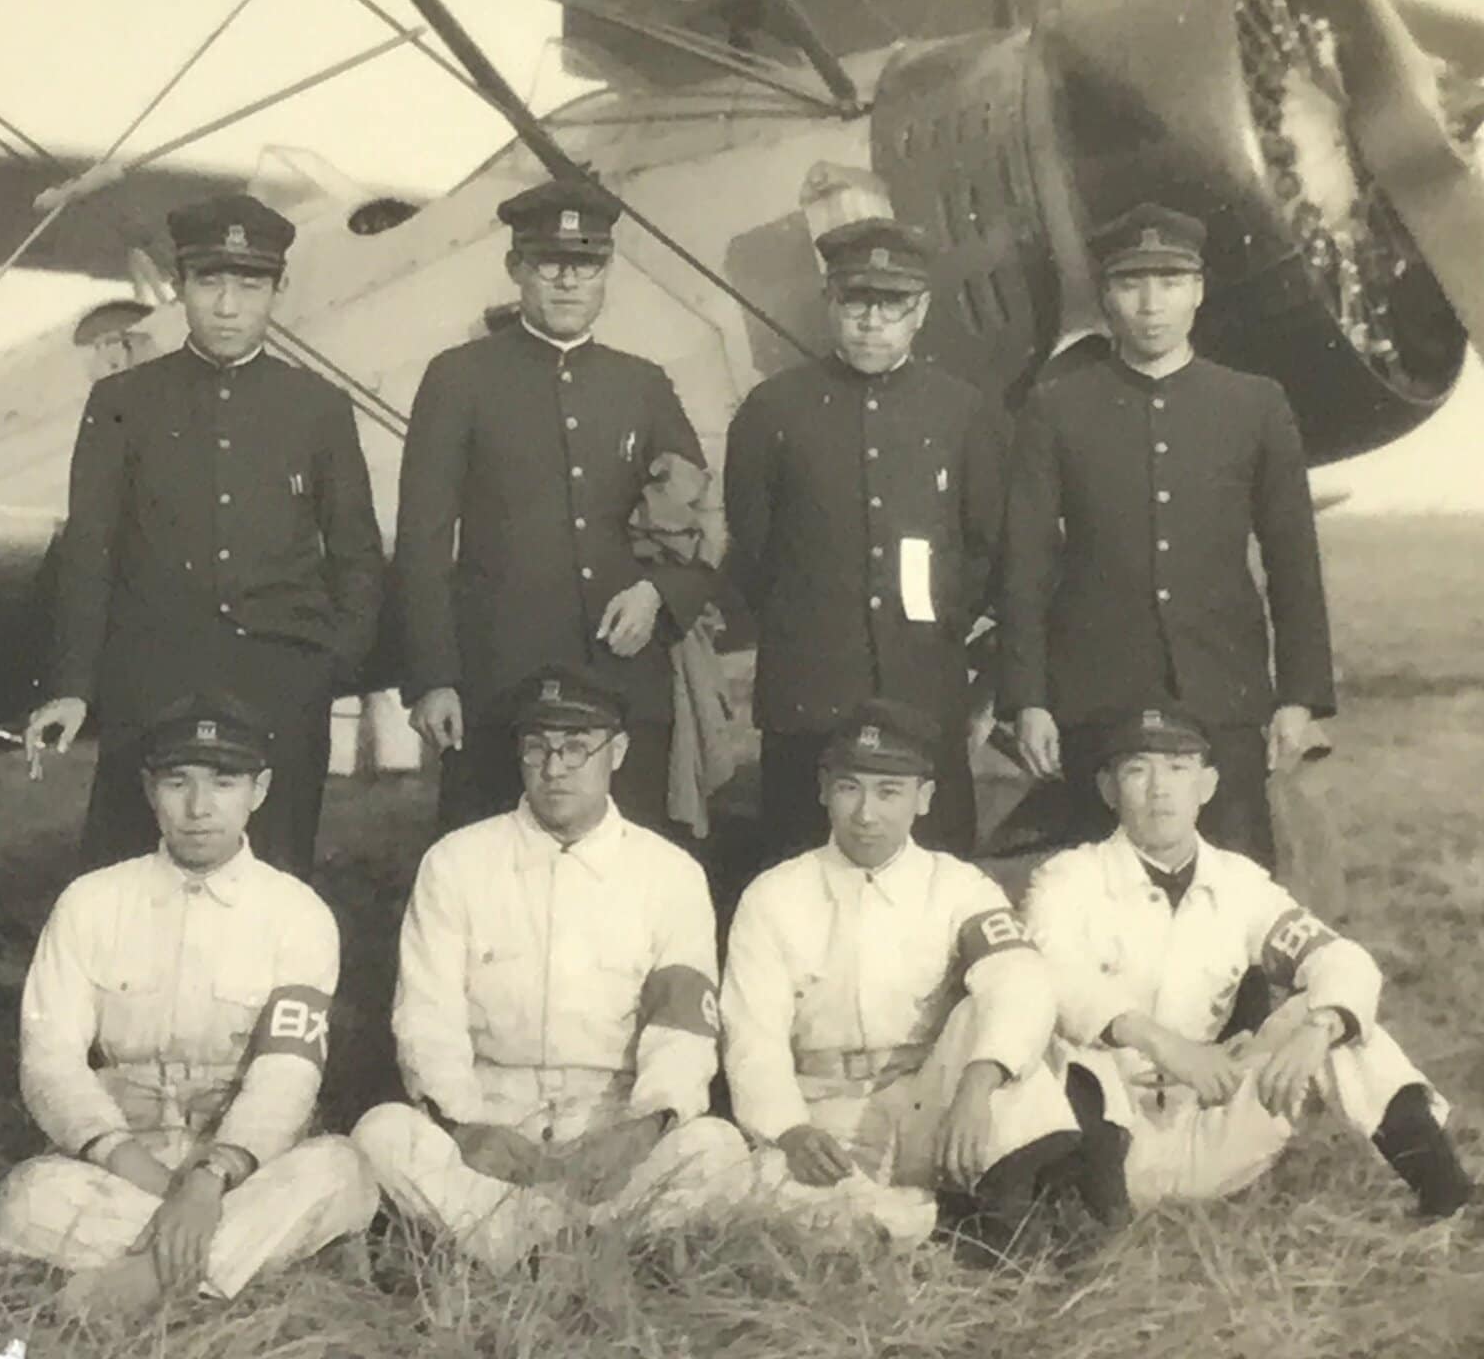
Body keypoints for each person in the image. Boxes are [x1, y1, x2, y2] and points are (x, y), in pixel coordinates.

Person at [22, 194, 384, 878]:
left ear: (278, 289)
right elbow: (89, 549)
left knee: (274, 874)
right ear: (182, 286)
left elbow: (357, 552)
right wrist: (72, 684)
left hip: (280, 684)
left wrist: (331, 665)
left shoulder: (319, 408)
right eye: (209, 283)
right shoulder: (122, 403)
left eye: (248, 286)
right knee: (129, 872)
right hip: (152, 681)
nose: (226, 307)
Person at [0, 693, 377, 1317]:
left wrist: (211, 1179)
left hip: (241, 1163)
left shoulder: (297, 914)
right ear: (150, 790)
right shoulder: (91, 902)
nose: (199, 809)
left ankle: (140, 1280)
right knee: (25, 1197)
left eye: (224, 783)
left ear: (260, 789)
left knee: (342, 1169)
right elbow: (50, 1060)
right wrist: (138, 1169)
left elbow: (288, 1074)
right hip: (122, 1159)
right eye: (178, 783)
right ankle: (232, 1264)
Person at [352, 663, 749, 1270]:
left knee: (718, 1150)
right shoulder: (456, 862)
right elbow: (427, 1018)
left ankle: (519, 1246)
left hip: (612, 1119)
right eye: (536, 748)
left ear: (616, 752)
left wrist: (642, 1129)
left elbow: (683, 1030)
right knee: (381, 1134)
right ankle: (578, 1248)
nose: (554, 767)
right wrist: (466, 1127)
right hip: (492, 1114)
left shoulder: (669, 874)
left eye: (575, 748)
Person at [1022, 704, 1472, 1222]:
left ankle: (1448, 1199)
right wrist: (1165, 1045)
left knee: (1336, 1015)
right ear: (1108, 789)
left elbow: (1339, 956)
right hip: (1105, 1136)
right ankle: (1093, 1233)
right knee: (1077, 1052)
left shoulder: (1238, 881)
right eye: (1137, 770)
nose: (1159, 789)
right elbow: (1054, 977)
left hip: (1206, 1118)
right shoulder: (1066, 878)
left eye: (1178, 769)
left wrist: (1319, 1029)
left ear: (1207, 785)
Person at [999, 201, 1334, 865]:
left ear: (1199, 291)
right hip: (1097, 694)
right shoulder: (1057, 408)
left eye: (1171, 283)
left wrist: (1299, 695)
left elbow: (1293, 558)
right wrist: (1027, 700)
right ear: (1104, 294)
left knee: (1235, 890)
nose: (1151, 304)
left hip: (1222, 691)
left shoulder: (1254, 404)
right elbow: (1025, 564)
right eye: (1130, 284)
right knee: (1098, 901)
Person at [395, 174, 717, 838]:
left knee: (628, 875)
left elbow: (696, 524)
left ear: (607, 272)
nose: (569, 281)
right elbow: (422, 541)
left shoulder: (644, 385)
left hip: (621, 679)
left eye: (587, 263)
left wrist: (657, 594)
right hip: (498, 683)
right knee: (485, 868)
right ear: (516, 268)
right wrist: (433, 679)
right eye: (550, 263)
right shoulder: (459, 379)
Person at [721, 699, 1078, 1255]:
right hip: (822, 1114)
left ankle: (1003, 1241)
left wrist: (977, 1087)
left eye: (889, 792)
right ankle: (932, 1227)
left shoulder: (959, 886)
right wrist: (790, 1130)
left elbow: (1020, 978)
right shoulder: (773, 895)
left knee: (1007, 1052)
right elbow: (753, 1035)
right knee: (758, 1196)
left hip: (925, 1101)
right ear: (824, 790)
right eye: (850, 788)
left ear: (924, 798)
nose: (867, 813)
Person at [723, 217, 1003, 889]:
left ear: (922, 310)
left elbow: (985, 547)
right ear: (830, 303)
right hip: (810, 702)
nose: (872, 322)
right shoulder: (772, 412)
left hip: (922, 698)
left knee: (936, 889)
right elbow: (756, 553)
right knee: (797, 887)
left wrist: (936, 636)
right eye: (856, 302)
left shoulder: (965, 414)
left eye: (892, 304)